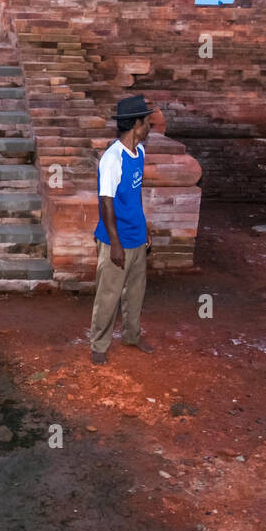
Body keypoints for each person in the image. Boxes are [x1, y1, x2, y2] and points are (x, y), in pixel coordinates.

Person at [89, 96, 156, 364]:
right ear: (137, 124)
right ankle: (99, 344)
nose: (149, 126)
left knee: (136, 291)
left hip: (137, 236)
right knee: (108, 295)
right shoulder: (112, 159)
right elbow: (105, 202)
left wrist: (145, 226)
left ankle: (131, 335)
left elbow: (135, 195)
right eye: (147, 121)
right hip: (115, 239)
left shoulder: (139, 152)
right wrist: (115, 244)